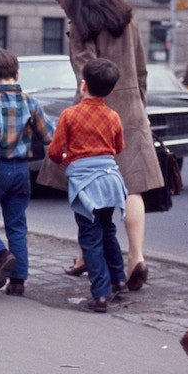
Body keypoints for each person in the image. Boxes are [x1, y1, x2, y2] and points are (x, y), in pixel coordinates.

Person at [39, 0, 161, 292]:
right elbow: (142, 69)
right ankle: (136, 257)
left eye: (59, 0)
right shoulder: (126, 16)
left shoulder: (80, 24)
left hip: (97, 109)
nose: (61, 7)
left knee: (87, 183)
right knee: (131, 186)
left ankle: (86, 254)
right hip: (132, 108)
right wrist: (141, 108)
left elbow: (86, 73)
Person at [0, 48, 54, 297]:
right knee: (16, 225)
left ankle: (0, 255)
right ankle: (17, 282)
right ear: (16, 74)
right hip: (22, 172)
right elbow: (48, 135)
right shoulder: (30, 101)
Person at [45, 57, 128, 314]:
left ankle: (101, 293)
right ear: (111, 90)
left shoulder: (70, 115)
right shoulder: (113, 116)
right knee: (108, 229)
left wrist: (64, 161)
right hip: (110, 180)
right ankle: (119, 278)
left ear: (83, 85)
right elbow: (119, 147)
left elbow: (55, 150)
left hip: (85, 185)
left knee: (90, 237)